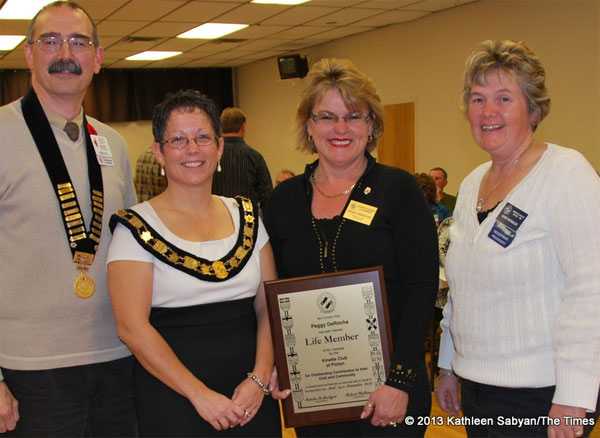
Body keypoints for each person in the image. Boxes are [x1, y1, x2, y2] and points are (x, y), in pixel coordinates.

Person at [264, 58, 439, 437]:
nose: (340, 128)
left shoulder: (400, 191)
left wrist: (401, 381)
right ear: (308, 126)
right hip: (316, 398)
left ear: (372, 124)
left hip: (391, 395)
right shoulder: (282, 201)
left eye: (354, 116)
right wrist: (278, 360)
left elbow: (422, 290)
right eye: (326, 116)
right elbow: (272, 294)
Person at [435, 40, 600, 438]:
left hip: (543, 396)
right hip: (477, 390)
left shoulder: (566, 174)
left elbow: (591, 289)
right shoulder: (473, 182)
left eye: (504, 97)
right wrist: (448, 365)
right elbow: (461, 288)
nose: (488, 112)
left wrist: (576, 396)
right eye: (478, 99)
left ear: (533, 107)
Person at [107, 89, 281, 437]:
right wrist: (199, 395)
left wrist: (260, 378)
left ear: (219, 146)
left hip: (250, 397)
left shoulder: (248, 216)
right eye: (178, 139)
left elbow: (269, 306)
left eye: (202, 137)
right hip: (174, 401)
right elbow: (132, 328)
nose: (192, 149)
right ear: (159, 151)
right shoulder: (134, 227)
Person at [0, 1, 137, 436]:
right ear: (29, 54)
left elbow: (132, 250)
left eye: (79, 42)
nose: (65, 52)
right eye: (50, 41)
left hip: (117, 358)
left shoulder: (112, 143)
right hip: (31, 369)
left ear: (97, 58)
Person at [212, 107, 273, 216]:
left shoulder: (210, 157)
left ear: (220, 127)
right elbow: (267, 198)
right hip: (248, 222)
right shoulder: (255, 157)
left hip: (216, 219)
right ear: (243, 127)